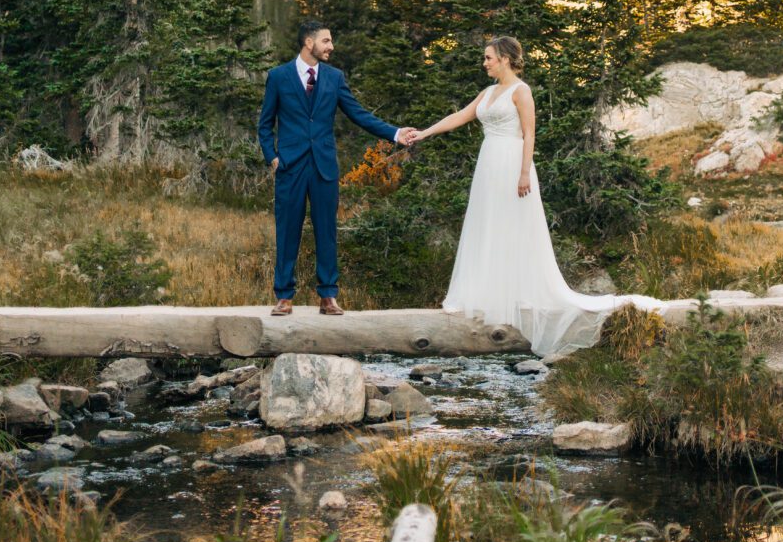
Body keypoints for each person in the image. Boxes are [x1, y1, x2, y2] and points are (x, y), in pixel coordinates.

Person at [412, 35, 664, 357]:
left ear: (504, 58)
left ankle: (518, 297)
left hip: (513, 163)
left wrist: (523, 172)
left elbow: (529, 132)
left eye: (489, 57)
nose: (485, 63)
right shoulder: (488, 93)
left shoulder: (521, 91)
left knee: (514, 227)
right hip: (488, 166)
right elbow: (460, 116)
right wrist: (424, 132)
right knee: (488, 226)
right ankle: (488, 295)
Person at [257, 20, 418, 316]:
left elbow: (358, 114)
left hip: (324, 166)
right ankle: (284, 296)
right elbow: (265, 124)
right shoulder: (278, 77)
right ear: (309, 42)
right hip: (290, 167)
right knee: (287, 229)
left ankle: (328, 295)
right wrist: (273, 157)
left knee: (327, 230)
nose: (331, 47)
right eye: (326, 41)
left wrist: (395, 133)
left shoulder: (334, 77)